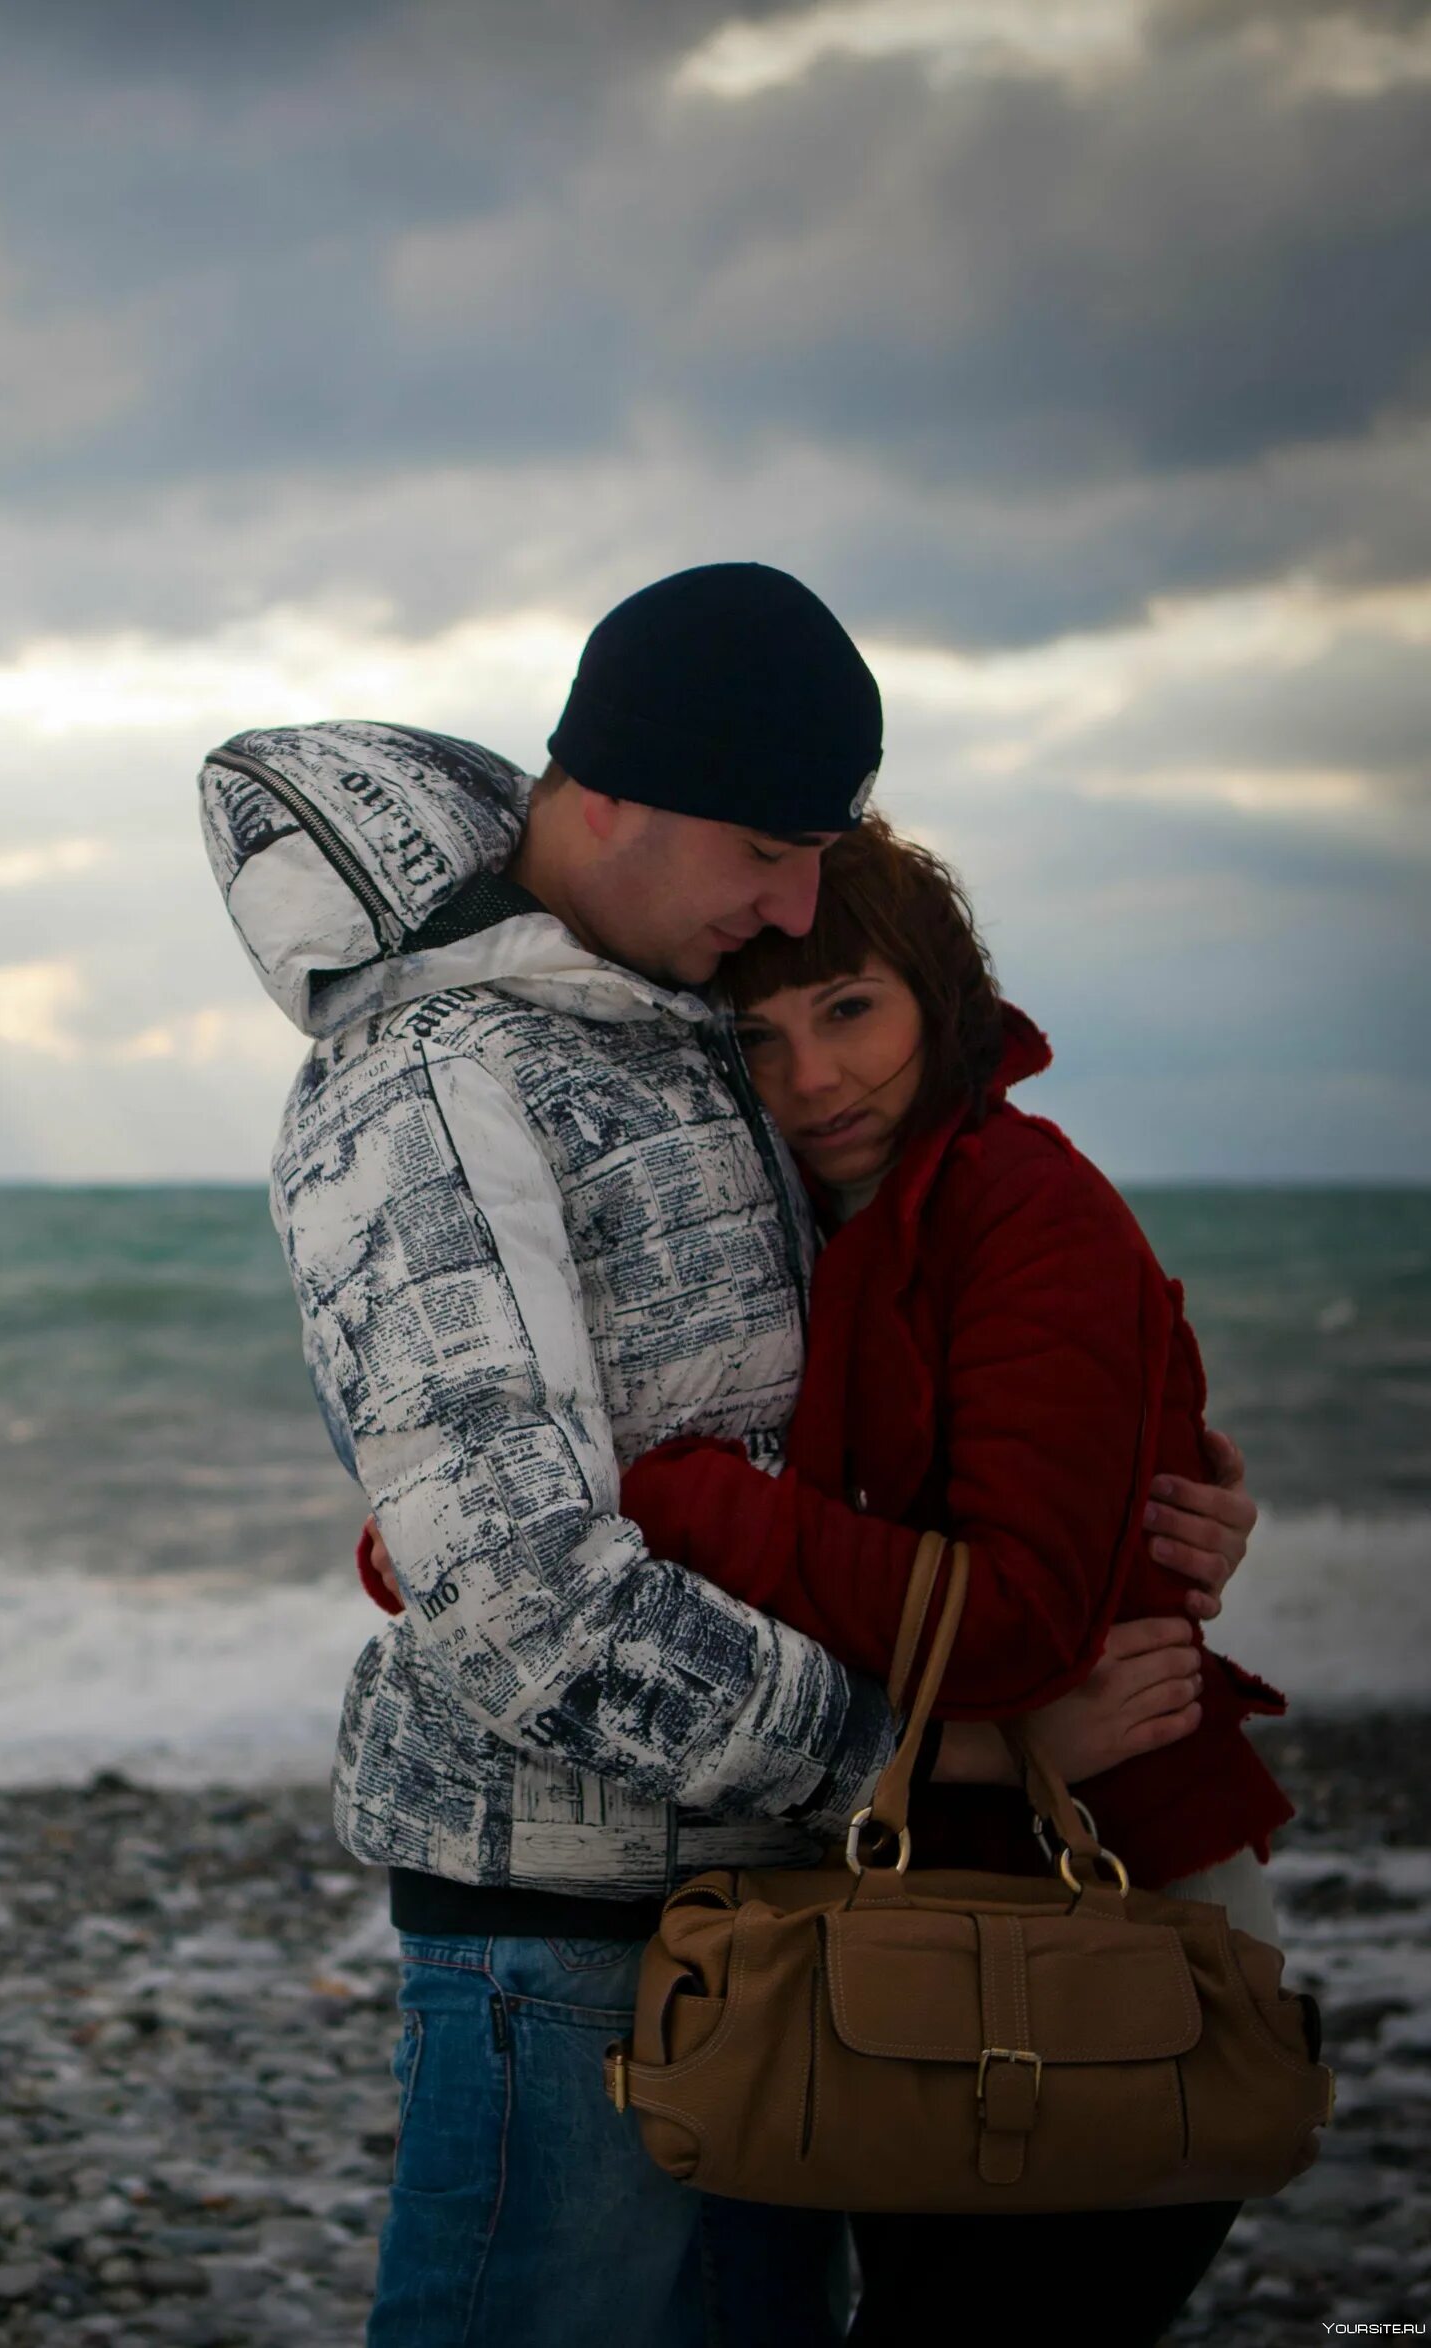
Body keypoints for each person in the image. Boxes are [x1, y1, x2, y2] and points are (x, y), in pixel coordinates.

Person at [198, 562, 1259, 2347]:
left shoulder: (677, 1021)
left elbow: (830, 1404)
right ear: (609, 798)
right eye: (769, 848)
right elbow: (533, 1604)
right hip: (566, 1938)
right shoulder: (438, 1078)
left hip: (781, 1922)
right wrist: (961, 1749)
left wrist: (1147, 1488)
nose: (801, 900)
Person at [602, 816, 1291, 2342]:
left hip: (1117, 1925)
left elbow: (1018, 1625)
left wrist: (686, 1506)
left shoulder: (1026, 1208)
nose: (814, 1081)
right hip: (915, 1914)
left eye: (851, 1012)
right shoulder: (804, 1225)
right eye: (759, 1041)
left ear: (942, 994)